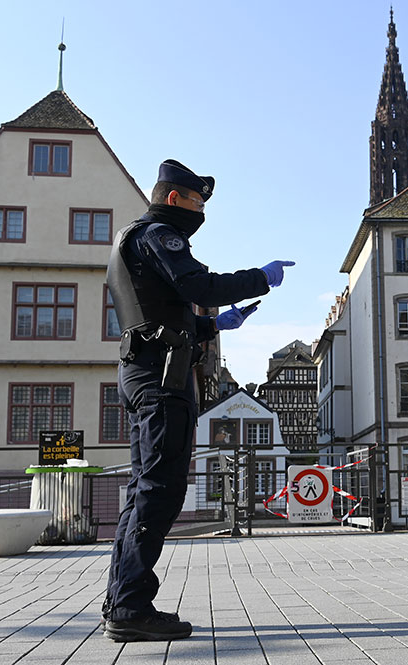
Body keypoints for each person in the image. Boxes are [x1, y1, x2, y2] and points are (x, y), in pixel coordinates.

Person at [102, 159, 295, 642]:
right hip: (162, 379)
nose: (201, 211)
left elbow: (159, 310)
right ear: (174, 198)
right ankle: (131, 609)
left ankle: (122, 600)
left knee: (144, 490)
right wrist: (261, 276)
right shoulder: (158, 235)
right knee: (160, 491)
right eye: (197, 201)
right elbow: (198, 285)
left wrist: (214, 325)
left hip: (145, 370)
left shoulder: (134, 238)